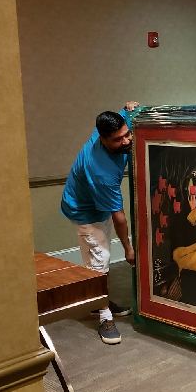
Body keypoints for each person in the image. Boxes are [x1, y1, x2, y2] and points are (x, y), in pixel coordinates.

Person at [61, 102, 139, 345]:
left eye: (127, 134)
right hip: (84, 211)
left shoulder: (108, 129)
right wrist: (128, 249)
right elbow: (119, 216)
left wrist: (128, 108)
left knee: (98, 258)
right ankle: (103, 315)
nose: (126, 141)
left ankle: (99, 301)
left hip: (97, 204)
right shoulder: (101, 172)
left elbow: (124, 114)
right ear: (103, 139)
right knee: (100, 260)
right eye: (118, 140)